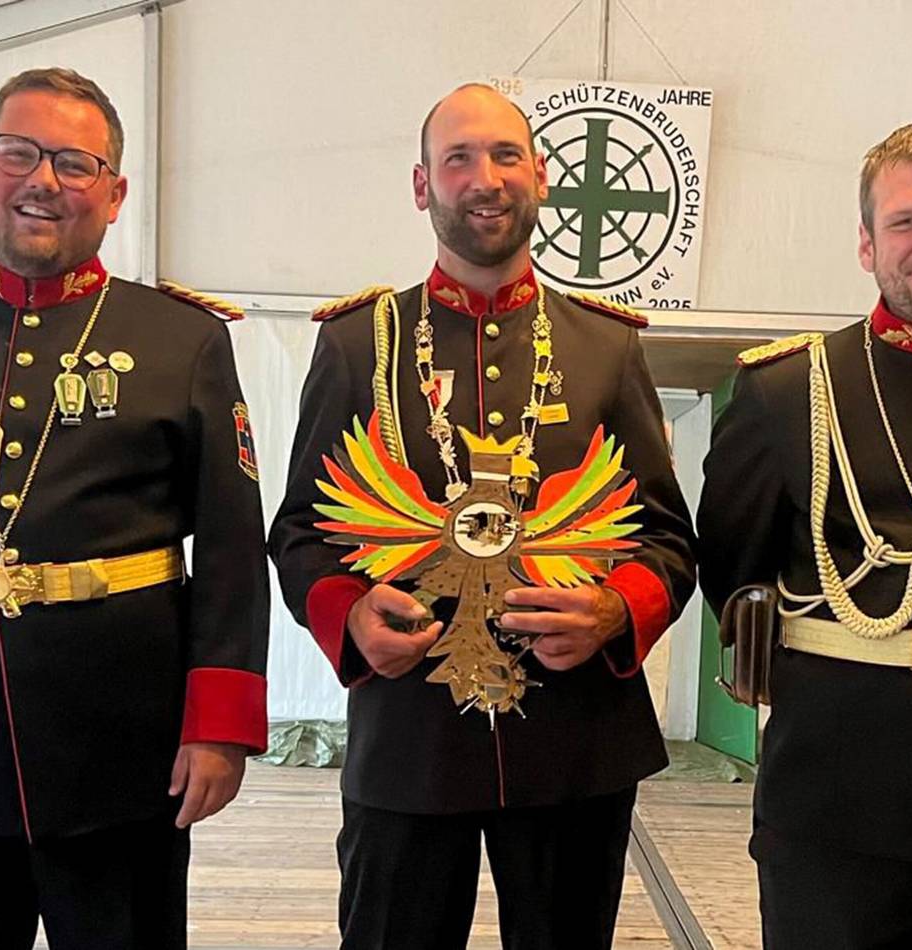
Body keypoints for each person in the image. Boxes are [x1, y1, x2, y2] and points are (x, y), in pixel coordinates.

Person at [269, 83, 695, 950]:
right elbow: (301, 532)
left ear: (541, 174)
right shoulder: (358, 343)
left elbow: (668, 539)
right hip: (410, 740)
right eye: (457, 158)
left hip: (578, 745)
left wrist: (617, 608)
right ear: (422, 185)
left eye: (505, 155)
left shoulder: (606, 345)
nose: (485, 179)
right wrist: (348, 613)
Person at [0, 68, 269, 950]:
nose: (44, 180)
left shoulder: (181, 339)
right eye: (18, 153)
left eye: (75, 163)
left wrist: (219, 724)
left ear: (114, 197)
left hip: (121, 750)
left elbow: (230, 544)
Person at [698, 118, 912, 949]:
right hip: (838, 810)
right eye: (906, 221)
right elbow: (734, 572)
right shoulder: (787, 392)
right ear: (867, 245)